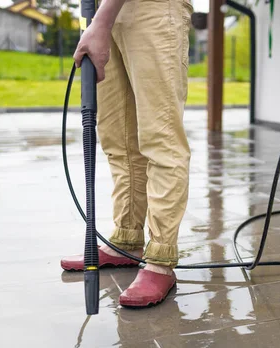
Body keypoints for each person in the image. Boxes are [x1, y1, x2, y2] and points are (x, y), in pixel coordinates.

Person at [60, 0, 194, 308]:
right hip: (105, 13)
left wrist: (101, 22)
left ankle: (161, 259)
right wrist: (99, 19)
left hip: (153, 8)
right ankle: (126, 239)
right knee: (118, 139)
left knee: (161, 138)